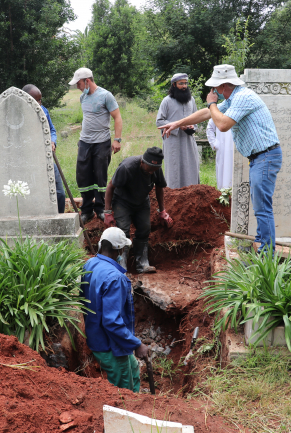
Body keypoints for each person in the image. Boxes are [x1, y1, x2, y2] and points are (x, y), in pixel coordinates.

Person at [159, 64, 281, 252]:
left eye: (215, 87)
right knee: (259, 206)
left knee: (262, 208)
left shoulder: (242, 97)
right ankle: (262, 244)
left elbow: (222, 124)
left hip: (265, 156)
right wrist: (177, 123)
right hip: (260, 157)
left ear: (224, 85)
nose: (214, 91)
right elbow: (207, 113)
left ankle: (267, 253)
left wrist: (212, 103)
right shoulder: (233, 99)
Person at [81, 227, 150, 392]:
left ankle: (137, 401)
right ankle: (128, 414)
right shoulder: (115, 278)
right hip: (110, 346)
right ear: (119, 249)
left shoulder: (90, 264)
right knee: (123, 393)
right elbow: (112, 322)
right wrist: (137, 344)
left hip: (96, 337)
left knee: (133, 366)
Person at [103, 147, 173, 274]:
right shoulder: (127, 167)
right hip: (122, 201)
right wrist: (107, 213)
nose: (152, 172)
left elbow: (159, 188)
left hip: (141, 201)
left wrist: (162, 211)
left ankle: (142, 263)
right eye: (149, 169)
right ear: (142, 162)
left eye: (154, 169)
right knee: (123, 231)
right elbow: (110, 186)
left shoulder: (155, 169)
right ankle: (121, 265)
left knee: (145, 228)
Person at [68, 68, 123, 225]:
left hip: (101, 142)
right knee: (83, 175)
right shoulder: (82, 97)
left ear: (87, 81)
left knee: (100, 175)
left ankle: (99, 209)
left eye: (78, 83)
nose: (77, 87)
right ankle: (87, 210)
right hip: (85, 142)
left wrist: (117, 139)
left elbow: (117, 117)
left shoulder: (106, 96)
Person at [22, 84, 66, 213]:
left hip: (46, 158)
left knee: (60, 194)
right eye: (36, 100)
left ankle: (60, 220)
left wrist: (53, 141)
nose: (39, 103)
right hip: (30, 162)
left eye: (40, 100)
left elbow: (51, 129)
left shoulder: (43, 110)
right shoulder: (18, 116)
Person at [155, 73, 200, 188]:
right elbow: (159, 121)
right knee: (174, 169)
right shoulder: (166, 101)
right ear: (174, 85)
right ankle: (174, 196)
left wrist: (191, 127)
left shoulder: (191, 100)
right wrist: (177, 126)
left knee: (191, 167)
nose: (184, 86)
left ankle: (191, 193)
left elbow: (196, 119)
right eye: (181, 84)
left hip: (188, 141)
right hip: (172, 141)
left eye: (185, 83)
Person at [206, 118, 234, 190]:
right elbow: (210, 128)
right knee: (224, 172)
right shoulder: (220, 109)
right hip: (223, 147)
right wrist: (214, 143)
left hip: (238, 146)